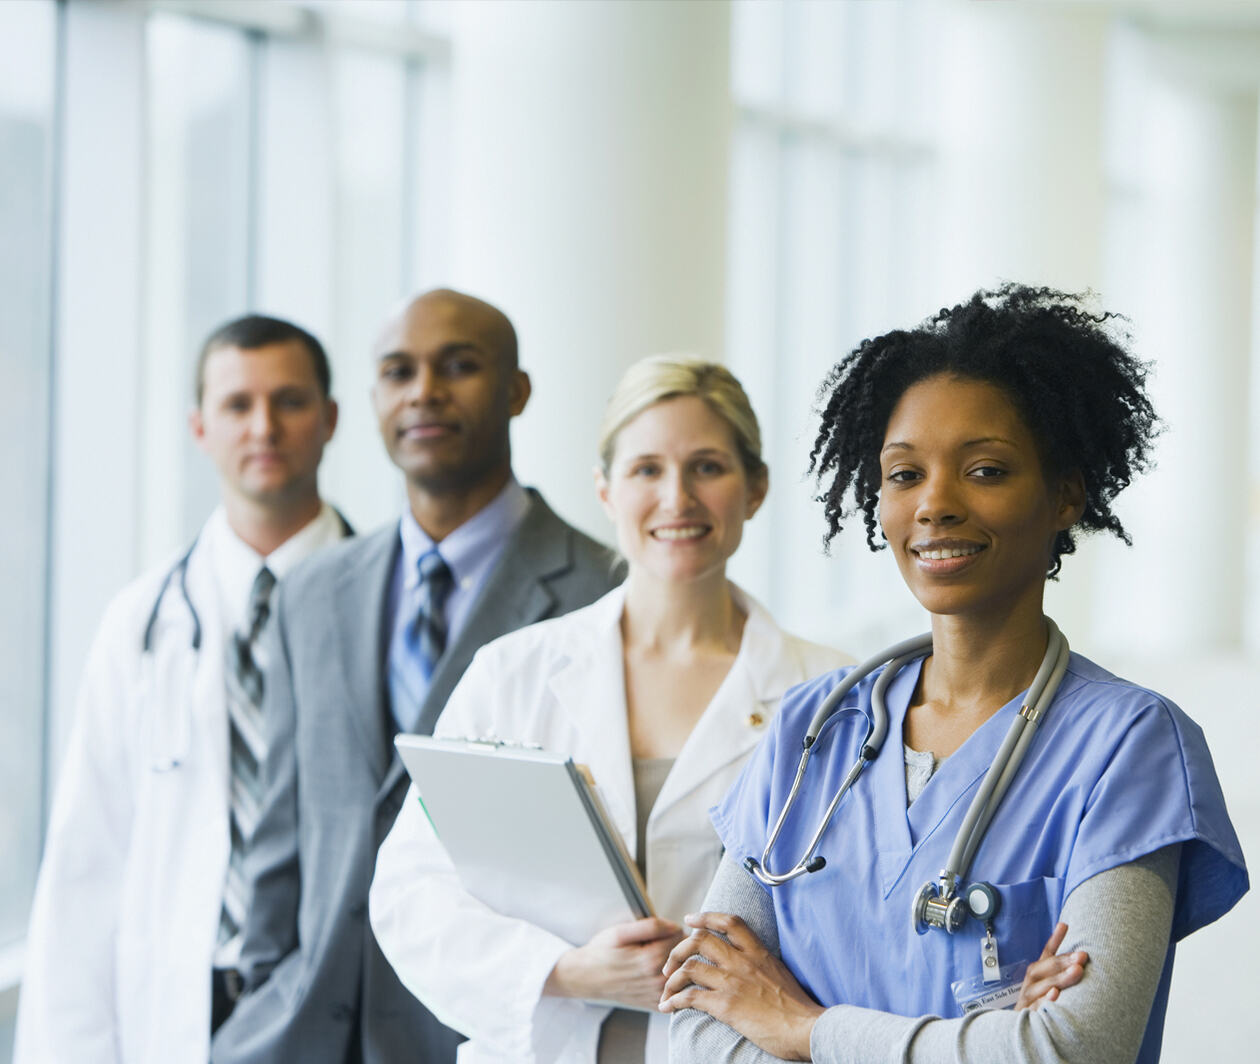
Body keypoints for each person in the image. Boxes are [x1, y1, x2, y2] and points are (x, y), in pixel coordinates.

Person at [661, 284, 1250, 1063]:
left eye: (985, 470)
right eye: (905, 475)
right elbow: (698, 1020)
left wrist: (801, 1027)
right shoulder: (811, 732)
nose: (935, 504)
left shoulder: (1130, 746)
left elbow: (1077, 1045)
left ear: (1065, 493)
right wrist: (988, 1038)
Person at [368, 354, 854, 1064]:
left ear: (756, 489)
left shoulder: (835, 694)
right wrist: (564, 971)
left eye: (708, 467)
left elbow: (864, 916)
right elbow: (411, 891)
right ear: (604, 490)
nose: (677, 498)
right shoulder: (514, 673)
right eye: (646, 470)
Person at [210, 288, 620, 1064]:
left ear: (516, 391)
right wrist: (269, 988)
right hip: (301, 1033)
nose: (424, 391)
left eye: (459, 366)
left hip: (477, 1035)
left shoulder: (601, 594)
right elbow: (278, 840)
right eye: (399, 372)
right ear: (372, 400)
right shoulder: (315, 591)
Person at [16, 315, 349, 1064]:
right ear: (200, 427)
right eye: (237, 405)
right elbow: (86, 862)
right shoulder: (140, 621)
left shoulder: (386, 605)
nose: (263, 426)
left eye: (290, 401)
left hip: (333, 1005)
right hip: (182, 1007)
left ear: (330, 419)